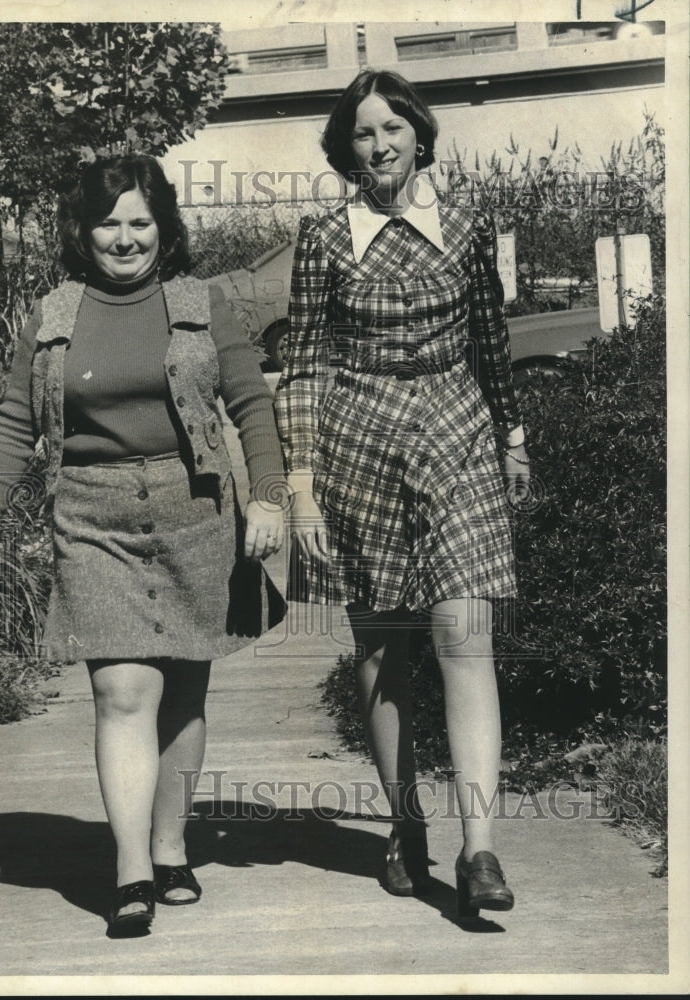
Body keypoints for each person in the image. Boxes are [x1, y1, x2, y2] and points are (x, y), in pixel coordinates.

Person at [0, 154, 286, 937]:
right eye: (108, 222)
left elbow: (250, 407)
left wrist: (270, 497)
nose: (124, 237)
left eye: (139, 221)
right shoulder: (53, 314)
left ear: (163, 227)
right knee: (121, 691)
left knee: (181, 692)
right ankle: (131, 870)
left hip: (193, 512)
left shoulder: (201, 301)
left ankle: (171, 848)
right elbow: (14, 424)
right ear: (84, 231)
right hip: (90, 515)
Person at [274, 70, 530, 916]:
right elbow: (303, 364)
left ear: (419, 134)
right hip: (359, 444)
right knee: (384, 651)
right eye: (361, 133)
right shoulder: (323, 239)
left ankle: (479, 848)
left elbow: (491, 342)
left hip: (456, 432)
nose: (378, 146)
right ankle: (404, 824)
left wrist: (513, 435)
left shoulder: (463, 223)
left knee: (465, 633)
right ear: (342, 148)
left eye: (391, 129)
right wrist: (301, 487)